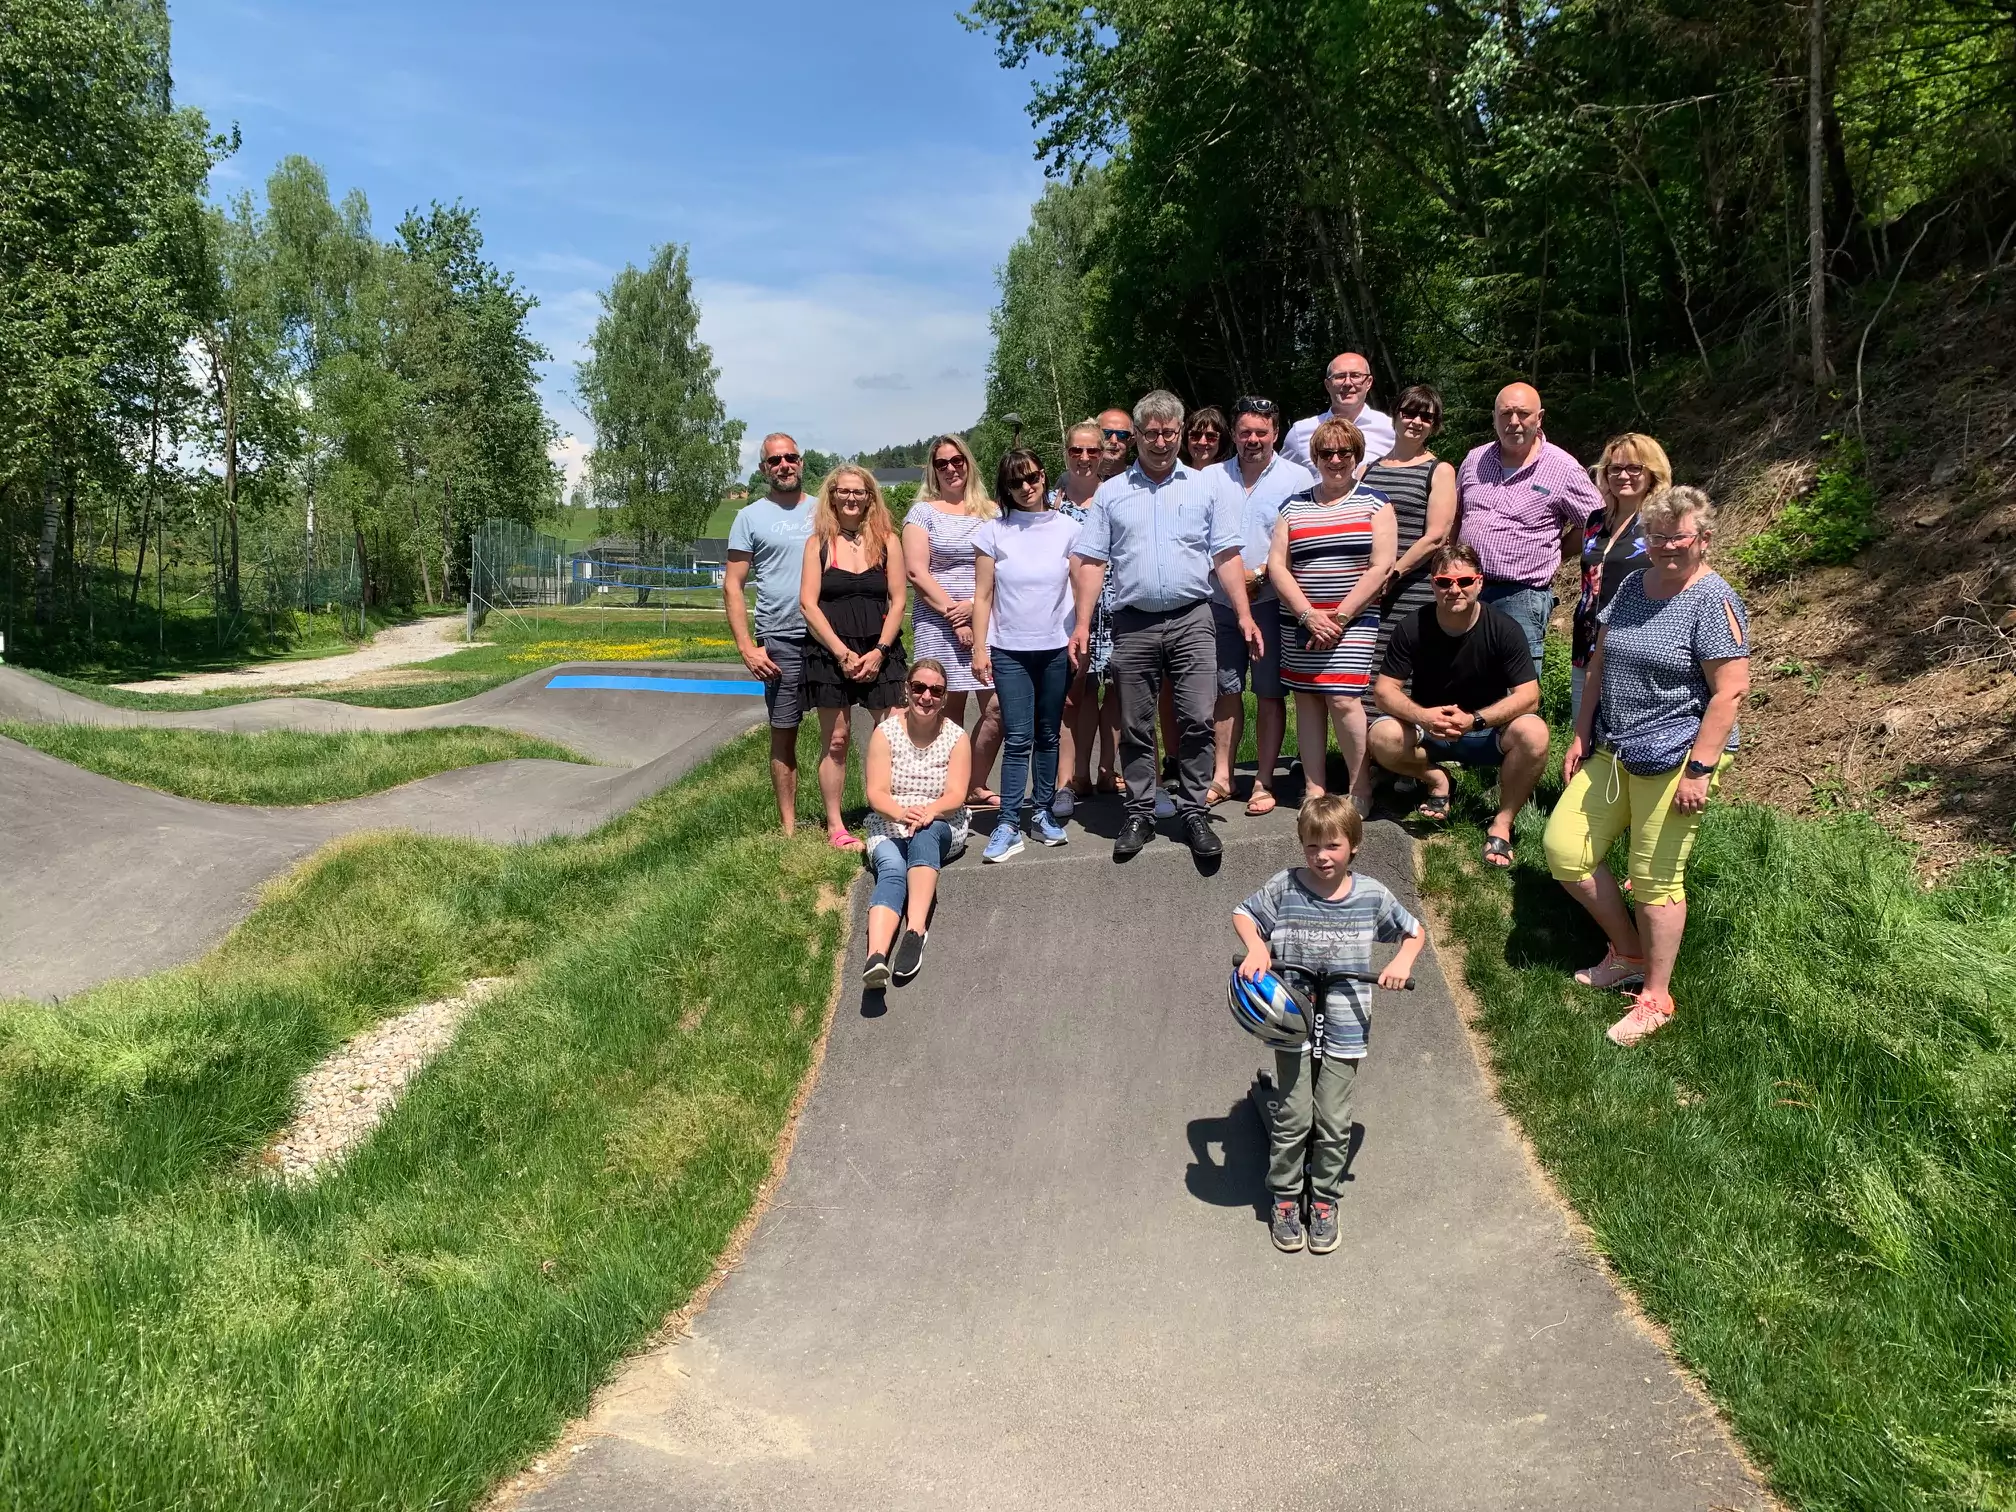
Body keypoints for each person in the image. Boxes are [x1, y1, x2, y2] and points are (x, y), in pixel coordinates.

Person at [1542, 486, 1750, 1047]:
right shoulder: (1634, 584)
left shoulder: (1714, 600)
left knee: (1656, 878)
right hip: (1615, 747)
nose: (1666, 546)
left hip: (1678, 754)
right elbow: (1600, 661)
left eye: (1678, 537)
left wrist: (1700, 770)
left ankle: (1657, 997)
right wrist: (1581, 732)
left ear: (1703, 539)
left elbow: (1729, 692)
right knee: (1565, 850)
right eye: (1657, 537)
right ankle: (1630, 954)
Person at [1070, 389, 1262, 860]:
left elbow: (1226, 555)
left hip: (1192, 618)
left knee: (1197, 716)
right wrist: (1081, 624)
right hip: (1133, 623)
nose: (1161, 442)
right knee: (1134, 723)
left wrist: (1243, 614)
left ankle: (1193, 809)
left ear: (1180, 433)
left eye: (1169, 433)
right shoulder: (1112, 493)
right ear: (1137, 435)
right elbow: (1091, 561)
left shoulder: (1203, 487)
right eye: (1152, 433)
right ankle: (1139, 811)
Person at [1234, 794, 1426, 1254]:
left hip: (1346, 1021)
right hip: (1291, 1019)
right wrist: (1258, 947)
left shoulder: (1371, 895)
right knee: (1294, 1117)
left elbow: (1413, 932)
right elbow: (1244, 914)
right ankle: (1285, 1196)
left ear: (1353, 845)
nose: (1321, 856)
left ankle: (1324, 1199)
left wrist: (1401, 961)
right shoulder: (1286, 887)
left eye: (1333, 846)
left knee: (1334, 1120)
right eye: (1312, 846)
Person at [1369, 542, 1550, 867]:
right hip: (1430, 729)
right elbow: (1384, 691)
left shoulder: (1504, 628)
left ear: (1479, 582)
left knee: (1534, 732)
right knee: (1381, 736)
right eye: (1444, 582)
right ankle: (1436, 779)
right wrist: (1423, 716)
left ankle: (1502, 823)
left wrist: (1475, 720)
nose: (1454, 590)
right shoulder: (1412, 626)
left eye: (1464, 581)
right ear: (1433, 584)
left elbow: (1529, 696)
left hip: (1486, 731)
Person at [1268, 417, 1396, 814]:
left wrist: (1338, 618)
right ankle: (1314, 787)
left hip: (1352, 623)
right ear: (1315, 457)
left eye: (1344, 452)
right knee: (1307, 700)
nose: (1336, 460)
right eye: (1327, 453)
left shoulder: (1376, 503)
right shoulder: (1292, 507)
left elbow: (1381, 566)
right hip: (1301, 623)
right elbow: (1277, 566)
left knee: (1342, 698)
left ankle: (1360, 786)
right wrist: (1309, 616)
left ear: (1357, 456)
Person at [970, 449, 1079, 859]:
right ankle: (1008, 823)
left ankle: (1043, 813)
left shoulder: (1068, 529)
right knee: (1018, 737)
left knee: (1048, 734)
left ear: (1043, 476)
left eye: (1031, 477)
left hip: (1055, 648)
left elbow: (1081, 587)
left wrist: (1080, 636)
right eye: (1015, 482)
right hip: (1009, 650)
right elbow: (983, 596)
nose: (1026, 487)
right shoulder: (993, 532)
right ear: (1006, 488)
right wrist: (979, 648)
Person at [1207, 396, 1312, 815]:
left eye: (1261, 432)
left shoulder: (1297, 478)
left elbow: (1302, 536)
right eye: (1245, 432)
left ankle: (1264, 780)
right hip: (1219, 601)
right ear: (1234, 435)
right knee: (1225, 690)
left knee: (1269, 692)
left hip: (1272, 602)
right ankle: (1222, 776)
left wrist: (1264, 574)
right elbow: (1197, 534)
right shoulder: (1211, 477)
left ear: (1276, 434)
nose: (1253, 440)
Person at [1455, 382, 1604, 669]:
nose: (1513, 422)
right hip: (1465, 589)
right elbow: (1457, 515)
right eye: (1505, 414)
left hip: (1521, 597)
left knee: (1515, 685)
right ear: (1494, 418)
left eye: (1523, 413)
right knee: (1461, 677)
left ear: (1540, 417)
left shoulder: (1563, 467)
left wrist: (1556, 551)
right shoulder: (1475, 460)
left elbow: (1595, 522)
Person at [798, 465, 909, 850]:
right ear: (832, 497)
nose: (851, 498)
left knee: (893, 734)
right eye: (843, 491)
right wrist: (841, 652)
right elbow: (808, 604)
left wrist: (879, 651)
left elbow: (898, 600)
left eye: (858, 492)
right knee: (837, 739)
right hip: (831, 652)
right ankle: (836, 826)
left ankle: (893, 812)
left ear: (869, 497)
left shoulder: (888, 541)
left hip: (882, 649)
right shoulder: (817, 544)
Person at [904, 433, 1004, 807]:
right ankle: (946, 792)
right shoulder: (922, 513)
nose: (950, 469)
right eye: (941, 463)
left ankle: (974, 783)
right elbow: (916, 572)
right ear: (933, 470)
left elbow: (1005, 568)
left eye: (956, 460)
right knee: (946, 710)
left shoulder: (993, 513)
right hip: (937, 624)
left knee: (998, 708)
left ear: (968, 463)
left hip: (986, 620)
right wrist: (955, 616)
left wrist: (974, 609)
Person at [724, 433, 815, 835]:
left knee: (839, 733)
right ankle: (789, 828)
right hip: (778, 636)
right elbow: (733, 585)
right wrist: (747, 647)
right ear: (764, 468)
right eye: (775, 460)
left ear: (801, 462)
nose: (784, 465)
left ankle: (839, 821)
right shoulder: (749, 517)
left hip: (828, 635)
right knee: (784, 731)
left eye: (790, 457)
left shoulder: (825, 509)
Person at [861, 658, 972, 988]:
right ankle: (876, 957)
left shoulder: (956, 737)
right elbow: (876, 793)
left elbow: (956, 795)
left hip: (942, 820)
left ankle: (915, 930)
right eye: (919, 687)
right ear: (907, 690)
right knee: (892, 869)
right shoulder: (885, 734)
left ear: (944, 698)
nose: (927, 696)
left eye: (936, 691)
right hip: (890, 822)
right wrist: (900, 813)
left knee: (925, 834)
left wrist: (929, 811)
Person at [1361, 384, 1458, 691]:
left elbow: (1436, 536)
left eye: (1426, 417)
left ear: (1434, 425)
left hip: (1411, 590)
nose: (1416, 421)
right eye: (1409, 413)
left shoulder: (1439, 471)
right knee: (1365, 673)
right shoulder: (1366, 471)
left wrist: (1393, 574)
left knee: (1406, 676)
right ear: (1395, 415)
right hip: (1366, 590)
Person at [1572, 433, 1671, 724]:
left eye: (1634, 468)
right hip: (1587, 644)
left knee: (1628, 733)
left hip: (1637, 644)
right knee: (1583, 732)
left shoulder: (1661, 523)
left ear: (1652, 473)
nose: (1623, 475)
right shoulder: (1595, 521)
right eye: (1614, 468)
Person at [1051, 420, 1120, 814]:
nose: (1084, 458)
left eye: (1092, 450)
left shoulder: (1117, 495)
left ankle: (1107, 770)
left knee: (1117, 691)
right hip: (1069, 612)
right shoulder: (1049, 502)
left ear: (1102, 454)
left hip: (1116, 606)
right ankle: (1074, 776)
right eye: (1076, 450)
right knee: (1075, 694)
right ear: (1066, 452)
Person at [1282, 352, 1396, 473]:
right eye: (1340, 376)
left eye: (1355, 376)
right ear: (1327, 385)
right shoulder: (1300, 433)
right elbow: (1285, 478)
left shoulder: (1391, 430)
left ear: (1368, 382)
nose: (1347, 383)